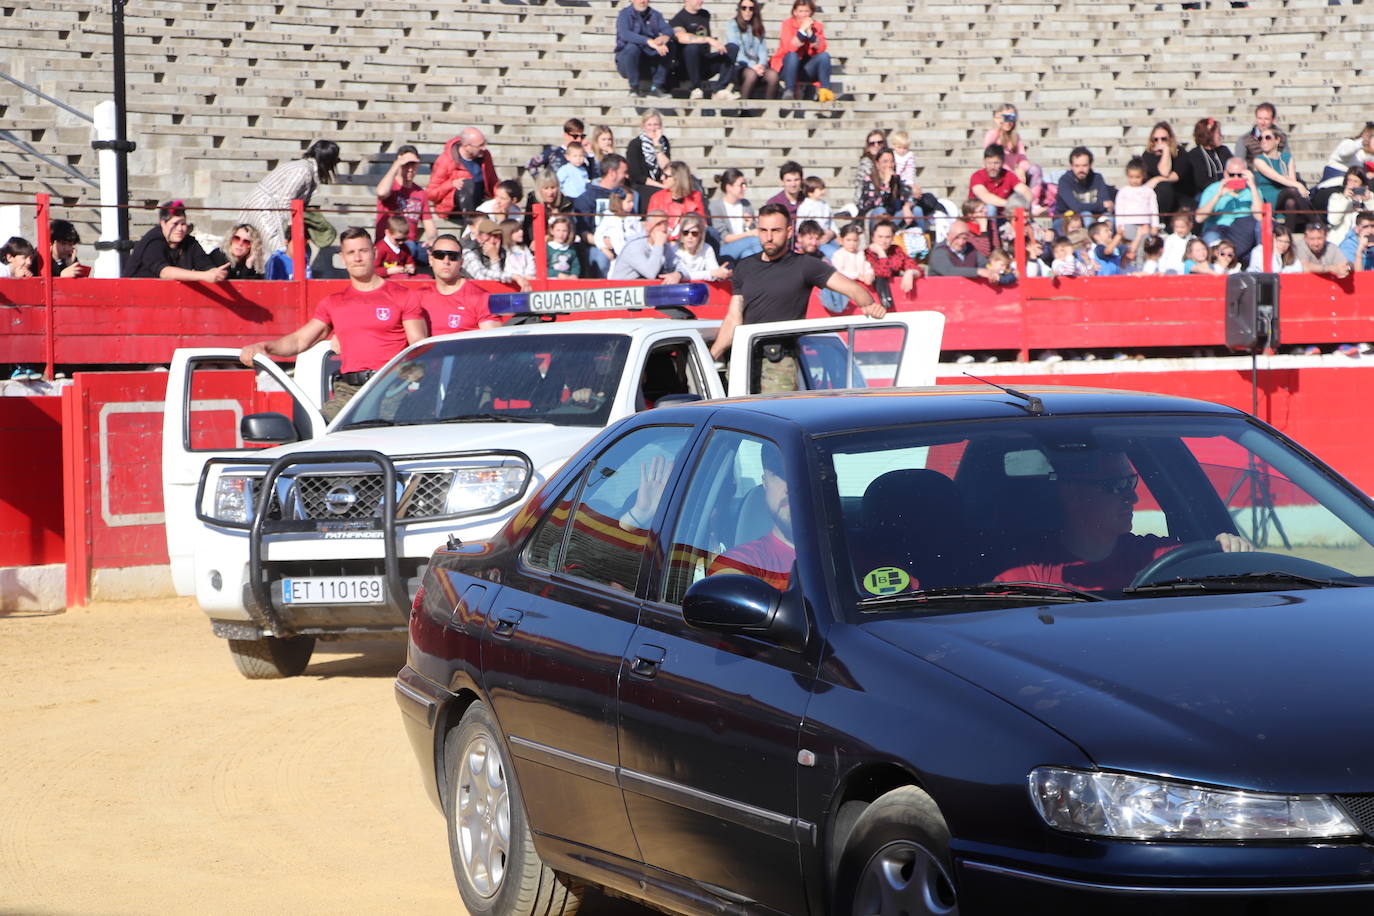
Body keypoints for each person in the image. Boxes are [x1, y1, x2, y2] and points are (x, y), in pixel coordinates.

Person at [994, 450, 1252, 591]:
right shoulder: (1027, 574)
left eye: (1131, 482)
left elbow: (1219, 584)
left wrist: (1228, 550)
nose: (1134, 497)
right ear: (1071, 494)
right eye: (1116, 486)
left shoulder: (1159, 558)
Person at [239, 227, 426, 420]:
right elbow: (300, 341)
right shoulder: (334, 303)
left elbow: (418, 345)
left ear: (374, 252)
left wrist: (406, 380)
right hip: (350, 391)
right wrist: (265, 346)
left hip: (391, 386)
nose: (358, 258)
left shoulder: (402, 296)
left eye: (363, 251)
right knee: (317, 431)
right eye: (351, 252)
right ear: (343, 258)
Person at [709, 204, 882, 384]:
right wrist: (712, 355)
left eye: (776, 230)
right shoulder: (744, 267)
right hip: (743, 359)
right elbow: (733, 319)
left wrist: (869, 305)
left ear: (789, 231)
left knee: (774, 412)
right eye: (763, 230)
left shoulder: (805, 265)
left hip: (779, 363)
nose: (769, 237)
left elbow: (853, 289)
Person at [707, 446, 794, 590]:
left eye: (803, 475)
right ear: (765, 484)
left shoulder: (844, 550)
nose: (790, 486)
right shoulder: (746, 561)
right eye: (779, 474)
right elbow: (725, 590)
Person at [236, 139, 339, 259]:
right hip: (265, 209)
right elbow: (285, 201)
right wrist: (292, 228)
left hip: (268, 208)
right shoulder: (303, 170)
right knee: (280, 251)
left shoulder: (307, 169)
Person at [417, 234, 501, 336]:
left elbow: (493, 343)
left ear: (461, 262)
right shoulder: (418, 298)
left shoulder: (481, 298)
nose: (446, 261)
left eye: (453, 257)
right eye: (440, 255)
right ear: (431, 260)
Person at [125, 201, 228, 281]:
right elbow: (164, 272)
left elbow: (205, 266)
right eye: (175, 224)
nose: (179, 229)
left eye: (183, 224)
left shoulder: (190, 243)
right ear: (163, 224)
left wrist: (215, 273)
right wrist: (204, 276)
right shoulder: (153, 241)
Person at [373, 145, 437, 267]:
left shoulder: (420, 193)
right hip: (389, 243)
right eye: (406, 164)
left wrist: (432, 239)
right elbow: (381, 192)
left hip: (410, 246)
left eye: (413, 164)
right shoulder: (391, 186)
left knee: (442, 252)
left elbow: (430, 225)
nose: (410, 169)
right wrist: (397, 165)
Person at [576, 154, 633, 277]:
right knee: (601, 259)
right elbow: (582, 232)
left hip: (625, 242)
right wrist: (602, 243)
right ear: (612, 173)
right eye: (624, 172)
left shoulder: (628, 195)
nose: (627, 176)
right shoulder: (587, 198)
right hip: (598, 245)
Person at [1195, 157, 1262, 261]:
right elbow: (1199, 218)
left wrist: (1252, 186)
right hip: (1218, 229)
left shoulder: (1253, 190)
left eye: (1240, 175)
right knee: (1211, 238)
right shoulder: (1213, 189)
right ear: (1226, 174)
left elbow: (1259, 216)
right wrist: (1218, 195)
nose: (1236, 178)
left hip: (1244, 233)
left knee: (1261, 226)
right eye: (1232, 175)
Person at [671, 0, 740, 99]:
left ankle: (720, 89)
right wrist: (708, 39)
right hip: (687, 68)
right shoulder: (678, 19)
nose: (701, 1)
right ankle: (696, 88)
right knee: (692, 48)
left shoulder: (705, 14)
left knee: (732, 47)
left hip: (704, 64)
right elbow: (681, 37)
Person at [428, 128, 500, 222]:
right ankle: (471, 226)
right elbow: (431, 194)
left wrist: (503, 196)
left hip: (480, 201)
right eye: (480, 145)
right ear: (466, 146)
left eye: (485, 143)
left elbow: (493, 182)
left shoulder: (485, 156)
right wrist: (451, 184)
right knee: (467, 184)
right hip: (455, 207)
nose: (484, 148)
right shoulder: (446, 161)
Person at [770, 0, 834, 102]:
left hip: (806, 69)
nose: (804, 15)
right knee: (792, 55)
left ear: (811, 12)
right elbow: (789, 48)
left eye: (806, 11)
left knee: (824, 56)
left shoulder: (817, 26)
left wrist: (810, 32)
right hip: (787, 68)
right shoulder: (787, 24)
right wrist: (801, 31)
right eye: (801, 11)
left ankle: (825, 91)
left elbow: (821, 48)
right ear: (795, 12)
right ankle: (789, 91)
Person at [1251, 128, 1311, 225]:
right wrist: (1299, 185)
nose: (1263, 141)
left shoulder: (1286, 157)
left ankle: (1288, 232)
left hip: (1286, 196)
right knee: (1293, 190)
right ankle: (1315, 221)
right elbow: (1277, 178)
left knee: (1291, 202)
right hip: (1268, 197)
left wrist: (1296, 185)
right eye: (1260, 138)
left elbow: (1292, 181)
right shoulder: (1258, 160)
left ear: (1277, 140)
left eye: (1267, 137)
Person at [615, 0, 673, 97]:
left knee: (670, 45)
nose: (642, 1)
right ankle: (634, 88)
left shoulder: (655, 14)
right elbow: (625, 34)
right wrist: (648, 41)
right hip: (628, 64)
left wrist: (664, 37)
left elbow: (668, 29)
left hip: (648, 61)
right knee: (632, 47)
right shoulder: (624, 14)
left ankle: (656, 87)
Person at [724, 0, 778, 99]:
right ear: (739, 9)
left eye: (751, 8)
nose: (747, 11)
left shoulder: (758, 27)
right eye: (744, 8)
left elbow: (762, 50)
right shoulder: (732, 25)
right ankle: (744, 110)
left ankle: (768, 108)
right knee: (751, 74)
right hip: (739, 66)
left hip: (757, 66)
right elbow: (736, 51)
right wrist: (752, 66)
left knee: (773, 76)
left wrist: (761, 65)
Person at [608, 209, 682, 282]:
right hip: (622, 289)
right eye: (658, 224)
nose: (663, 229)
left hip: (648, 290)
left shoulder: (664, 246)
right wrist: (658, 245)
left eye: (665, 224)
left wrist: (678, 274)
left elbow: (679, 264)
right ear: (647, 226)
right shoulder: (635, 246)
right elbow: (651, 273)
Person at [968, 143, 1033, 225]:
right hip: (980, 219)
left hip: (1003, 217)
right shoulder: (977, 176)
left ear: (1002, 162)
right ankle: (991, 235)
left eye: (996, 163)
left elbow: (1026, 191)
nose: (992, 167)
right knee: (990, 208)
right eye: (989, 163)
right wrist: (1011, 205)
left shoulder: (1008, 175)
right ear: (984, 162)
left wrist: (1024, 206)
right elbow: (985, 197)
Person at [864, 219, 920, 310]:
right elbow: (883, 273)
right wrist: (881, 253)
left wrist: (910, 272)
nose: (884, 240)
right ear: (873, 238)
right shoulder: (867, 254)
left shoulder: (896, 251)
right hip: (874, 303)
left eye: (887, 237)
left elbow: (916, 268)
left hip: (897, 301)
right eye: (880, 237)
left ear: (893, 238)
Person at [463, 217, 532, 290]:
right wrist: (514, 276)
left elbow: (498, 281)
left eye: (496, 236)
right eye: (488, 236)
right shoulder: (469, 251)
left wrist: (494, 257)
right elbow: (481, 276)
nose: (492, 241)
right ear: (479, 237)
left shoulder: (503, 252)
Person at [708, 168, 762, 261]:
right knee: (756, 241)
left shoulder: (746, 204)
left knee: (748, 254)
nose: (744, 188)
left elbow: (752, 230)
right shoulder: (715, 207)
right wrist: (749, 233)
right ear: (729, 187)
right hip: (725, 248)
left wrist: (749, 225)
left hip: (745, 246)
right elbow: (725, 238)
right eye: (741, 185)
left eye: (745, 184)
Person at [981, 103, 1039, 190]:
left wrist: (1021, 169)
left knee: (1035, 169)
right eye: (1006, 118)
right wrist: (998, 127)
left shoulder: (1016, 137)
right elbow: (988, 152)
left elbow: (1023, 158)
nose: (1008, 122)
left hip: (1014, 174)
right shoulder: (992, 134)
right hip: (998, 172)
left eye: (1011, 118)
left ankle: (1033, 200)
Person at [1179, 117, 1232, 206]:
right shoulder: (1195, 154)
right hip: (1206, 193)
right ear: (1208, 134)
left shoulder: (1224, 150)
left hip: (1228, 189)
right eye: (1218, 133)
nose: (1221, 136)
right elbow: (1201, 182)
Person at [1054, 147, 1115, 224]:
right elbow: (1076, 207)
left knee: (1109, 218)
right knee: (1087, 216)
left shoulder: (1097, 178)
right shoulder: (1064, 181)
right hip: (1065, 219)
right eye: (1077, 166)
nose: (1081, 169)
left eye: (1084, 165)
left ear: (1090, 165)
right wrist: (1101, 206)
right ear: (1071, 166)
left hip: (1095, 216)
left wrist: (1104, 206)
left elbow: (1107, 204)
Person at [626, 110, 672, 212]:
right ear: (643, 126)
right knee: (659, 194)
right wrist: (662, 186)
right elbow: (637, 176)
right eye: (649, 125)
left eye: (656, 124)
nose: (653, 128)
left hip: (661, 182)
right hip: (641, 185)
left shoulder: (663, 142)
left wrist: (657, 146)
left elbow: (666, 168)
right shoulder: (635, 144)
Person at [647, 160, 706, 240]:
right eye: (662, 175)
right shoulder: (657, 198)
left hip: (688, 239)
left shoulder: (695, 197)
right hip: (664, 240)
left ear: (677, 179)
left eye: (666, 176)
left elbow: (702, 223)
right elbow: (652, 226)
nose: (661, 178)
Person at [1140, 121, 1188, 218]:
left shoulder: (1180, 152)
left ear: (1170, 139)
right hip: (1156, 196)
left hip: (1179, 194)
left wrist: (1157, 179)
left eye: (1163, 139)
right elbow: (1165, 172)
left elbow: (1174, 175)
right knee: (1164, 188)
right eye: (1156, 139)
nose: (1160, 142)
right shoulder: (1148, 155)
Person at [592, 188, 643, 276]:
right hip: (617, 257)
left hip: (632, 255)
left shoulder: (632, 219)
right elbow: (598, 236)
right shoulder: (609, 218)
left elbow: (640, 234)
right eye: (629, 201)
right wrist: (604, 249)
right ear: (619, 202)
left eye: (632, 201)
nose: (632, 204)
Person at [927, 219, 999, 280]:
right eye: (957, 237)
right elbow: (949, 271)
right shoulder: (939, 252)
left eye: (964, 238)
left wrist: (993, 269)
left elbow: (984, 264)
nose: (961, 242)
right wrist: (978, 271)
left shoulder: (970, 249)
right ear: (948, 236)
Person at [670, 213, 731, 280]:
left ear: (701, 235)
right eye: (686, 233)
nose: (690, 236)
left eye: (694, 233)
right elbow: (682, 276)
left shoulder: (707, 248)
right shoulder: (675, 250)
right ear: (681, 234)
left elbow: (715, 273)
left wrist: (722, 274)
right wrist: (710, 274)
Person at [523, 168, 576, 243]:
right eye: (546, 188)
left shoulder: (566, 203)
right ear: (539, 189)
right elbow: (529, 230)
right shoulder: (532, 201)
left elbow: (571, 230)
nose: (550, 193)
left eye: (553, 188)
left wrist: (549, 238)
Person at [1113, 158, 1159, 241]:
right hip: (1128, 224)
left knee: (1143, 249)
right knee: (1130, 248)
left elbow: (1154, 209)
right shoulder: (1123, 191)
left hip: (1145, 224)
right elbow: (1119, 209)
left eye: (1137, 177)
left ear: (1143, 175)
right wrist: (1119, 225)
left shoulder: (1149, 191)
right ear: (1127, 175)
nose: (1134, 180)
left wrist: (1155, 225)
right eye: (1131, 177)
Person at [1328, 168, 1374, 245]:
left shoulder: (1370, 197)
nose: (1352, 184)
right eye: (1349, 180)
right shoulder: (1337, 197)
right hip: (1340, 241)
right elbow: (1333, 220)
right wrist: (1345, 199)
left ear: (1362, 184)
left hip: (1365, 241)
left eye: (1355, 181)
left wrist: (1367, 201)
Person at [1233, 102, 1288, 166]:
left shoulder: (1281, 138)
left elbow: (1287, 161)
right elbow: (1239, 163)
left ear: (1273, 120)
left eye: (1266, 119)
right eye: (1260, 118)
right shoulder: (1244, 140)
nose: (1262, 122)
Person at [794, 175, 836, 248]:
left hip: (826, 238)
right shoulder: (804, 207)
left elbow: (831, 223)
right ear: (810, 192)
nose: (823, 191)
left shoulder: (825, 205)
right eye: (820, 189)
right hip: (812, 240)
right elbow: (799, 226)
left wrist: (834, 233)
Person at [853, 129, 887, 213]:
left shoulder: (891, 161)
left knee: (916, 211)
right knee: (881, 211)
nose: (876, 146)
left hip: (890, 204)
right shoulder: (865, 164)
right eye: (872, 143)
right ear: (868, 146)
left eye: (879, 142)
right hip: (870, 207)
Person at [500, 218, 537, 285]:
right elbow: (505, 267)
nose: (521, 232)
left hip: (527, 279)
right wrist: (516, 277)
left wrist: (529, 274)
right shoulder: (504, 249)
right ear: (508, 233)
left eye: (521, 229)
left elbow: (530, 262)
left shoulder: (524, 248)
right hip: (511, 282)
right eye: (516, 231)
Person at [1160, 210, 1197, 275]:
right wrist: (1162, 270)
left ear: (1190, 226)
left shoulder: (1194, 239)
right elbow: (1164, 255)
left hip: (1186, 270)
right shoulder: (1171, 239)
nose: (1179, 230)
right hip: (1171, 269)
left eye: (1182, 227)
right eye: (1176, 227)